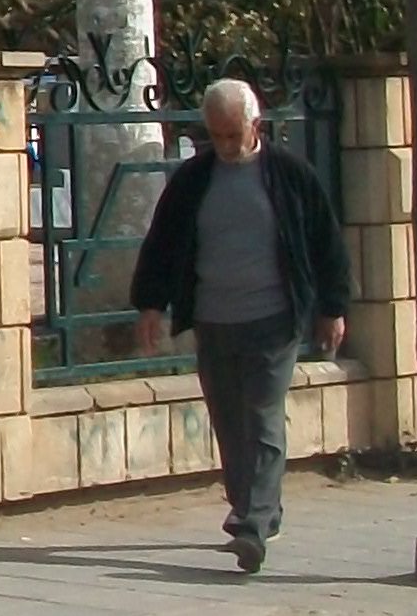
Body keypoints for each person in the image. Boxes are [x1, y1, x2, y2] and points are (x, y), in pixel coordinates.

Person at [129, 78, 349, 574]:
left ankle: (252, 523)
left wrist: (332, 307)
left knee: (263, 415)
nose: (226, 145)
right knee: (229, 420)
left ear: (256, 125)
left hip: (274, 319)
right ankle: (255, 505)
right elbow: (164, 243)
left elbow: (325, 241)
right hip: (215, 319)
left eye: (233, 134)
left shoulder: (289, 175)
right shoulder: (194, 180)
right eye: (217, 136)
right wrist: (150, 305)